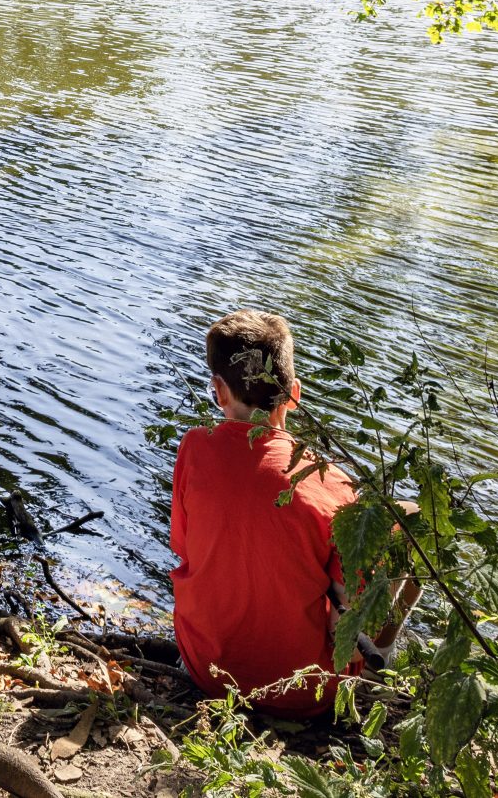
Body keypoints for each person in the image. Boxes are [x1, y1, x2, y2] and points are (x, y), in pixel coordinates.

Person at [169, 308, 410, 718]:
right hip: (303, 694)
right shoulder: (331, 482)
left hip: (205, 669)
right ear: (295, 394)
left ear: (219, 391)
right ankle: (378, 660)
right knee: (406, 517)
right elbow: (349, 616)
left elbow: (185, 548)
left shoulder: (194, 447)